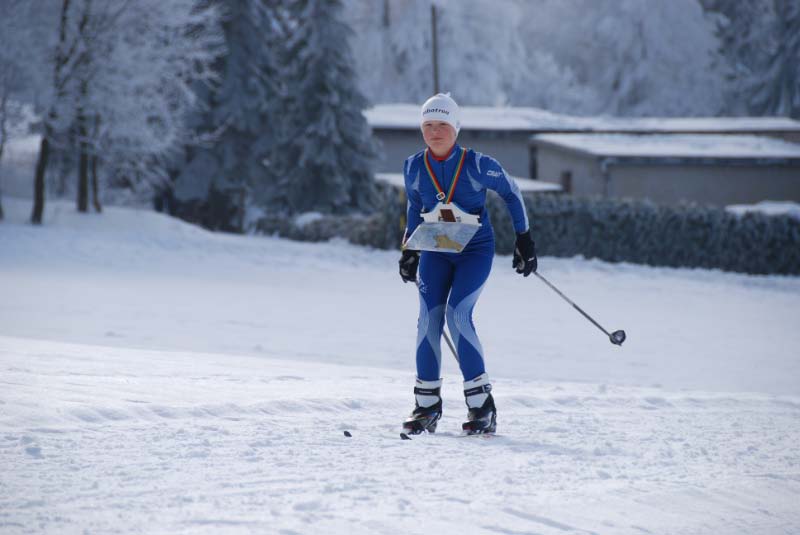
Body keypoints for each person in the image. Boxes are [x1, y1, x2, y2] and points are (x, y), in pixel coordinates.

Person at [398, 93, 537, 435]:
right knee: (427, 320)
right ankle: (426, 405)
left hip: (474, 250)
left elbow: (512, 191)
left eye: (442, 125)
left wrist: (524, 238)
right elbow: (414, 206)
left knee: (458, 316)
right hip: (435, 249)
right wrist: (409, 249)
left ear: (456, 128)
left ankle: (481, 406)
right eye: (428, 125)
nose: (434, 132)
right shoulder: (414, 166)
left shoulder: (476, 164)